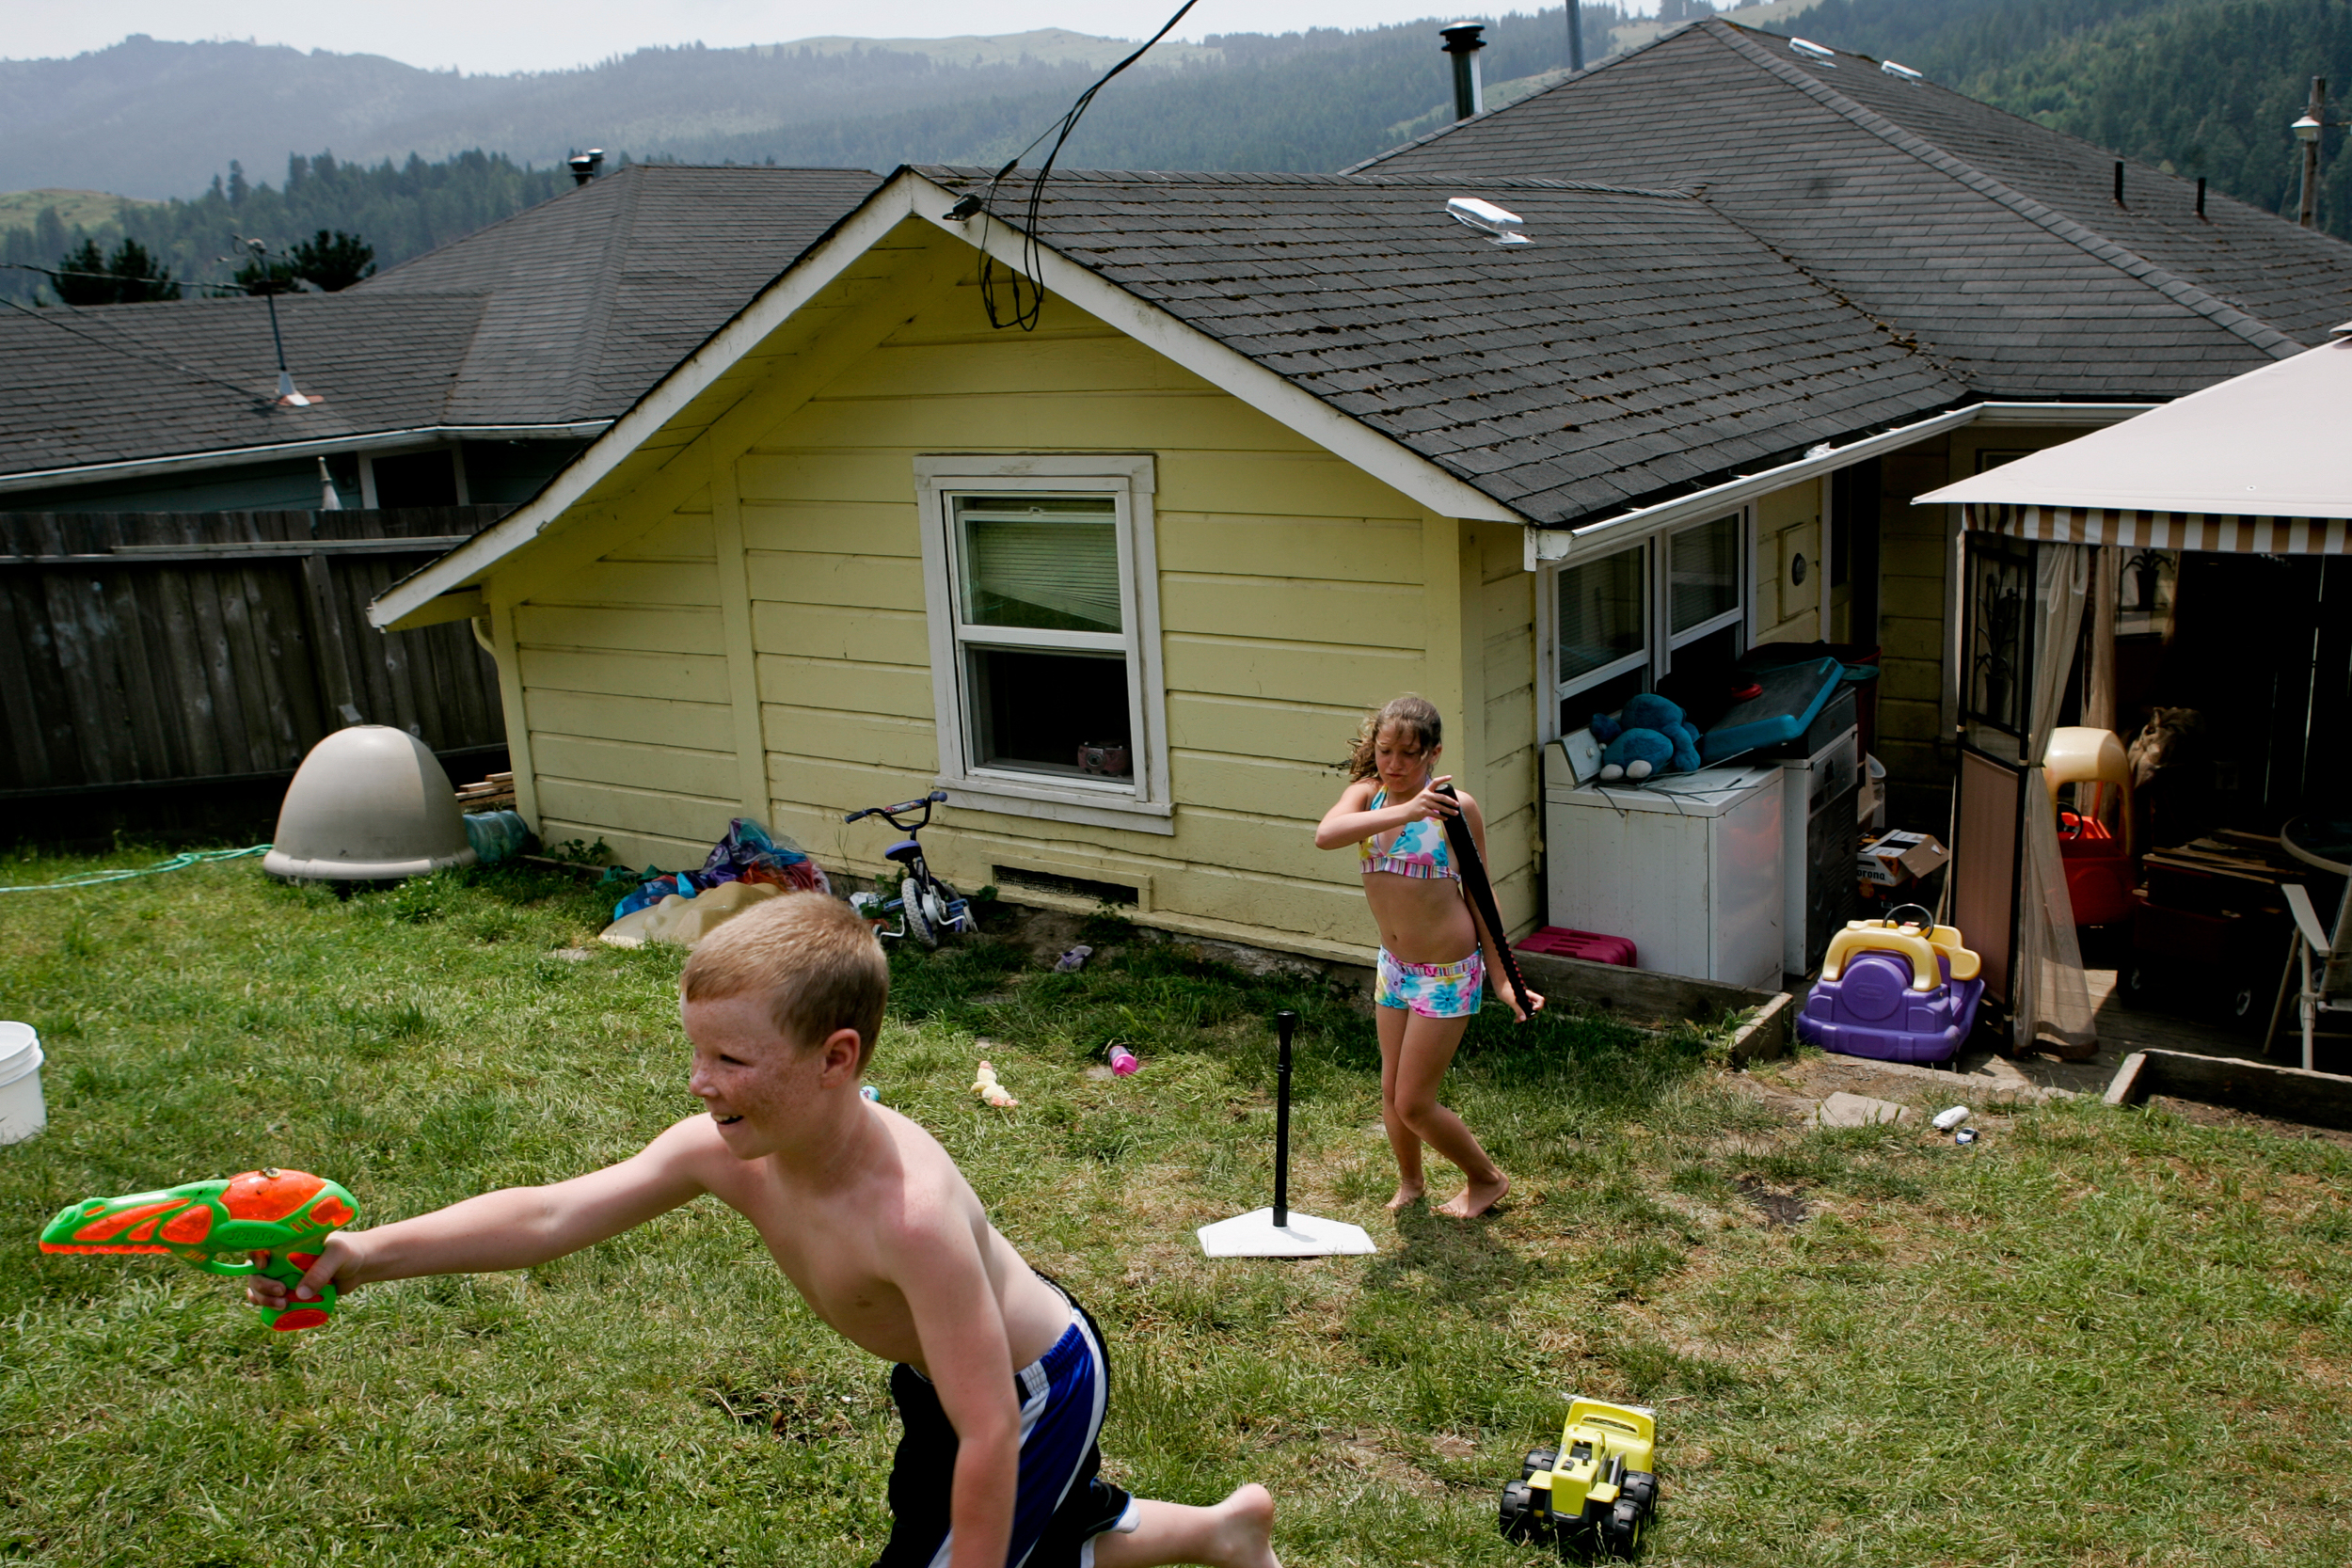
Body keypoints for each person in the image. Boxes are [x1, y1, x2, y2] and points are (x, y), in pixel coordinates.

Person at [245, 894, 1279, 1568]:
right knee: (1030, 1532)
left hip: (1027, 1381)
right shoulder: (721, 1148)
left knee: (970, 1547)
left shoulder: (907, 1214)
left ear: (836, 1056)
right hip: (950, 1371)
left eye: (732, 1060)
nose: (701, 1083)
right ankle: (1227, 1527)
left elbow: (991, 1434)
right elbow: (555, 1211)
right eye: (696, 1053)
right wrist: (364, 1252)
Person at [1314, 694, 1540, 1219]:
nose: (1394, 765)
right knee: (1391, 1089)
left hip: (1446, 973)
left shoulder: (1454, 808)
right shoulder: (1367, 795)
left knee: (1414, 1100)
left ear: (1433, 754)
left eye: (1408, 755)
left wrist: (1504, 980)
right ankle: (1411, 1183)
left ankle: (1486, 1179)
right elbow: (1326, 836)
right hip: (1393, 969)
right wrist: (1405, 806)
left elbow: (1482, 897)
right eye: (1385, 750)